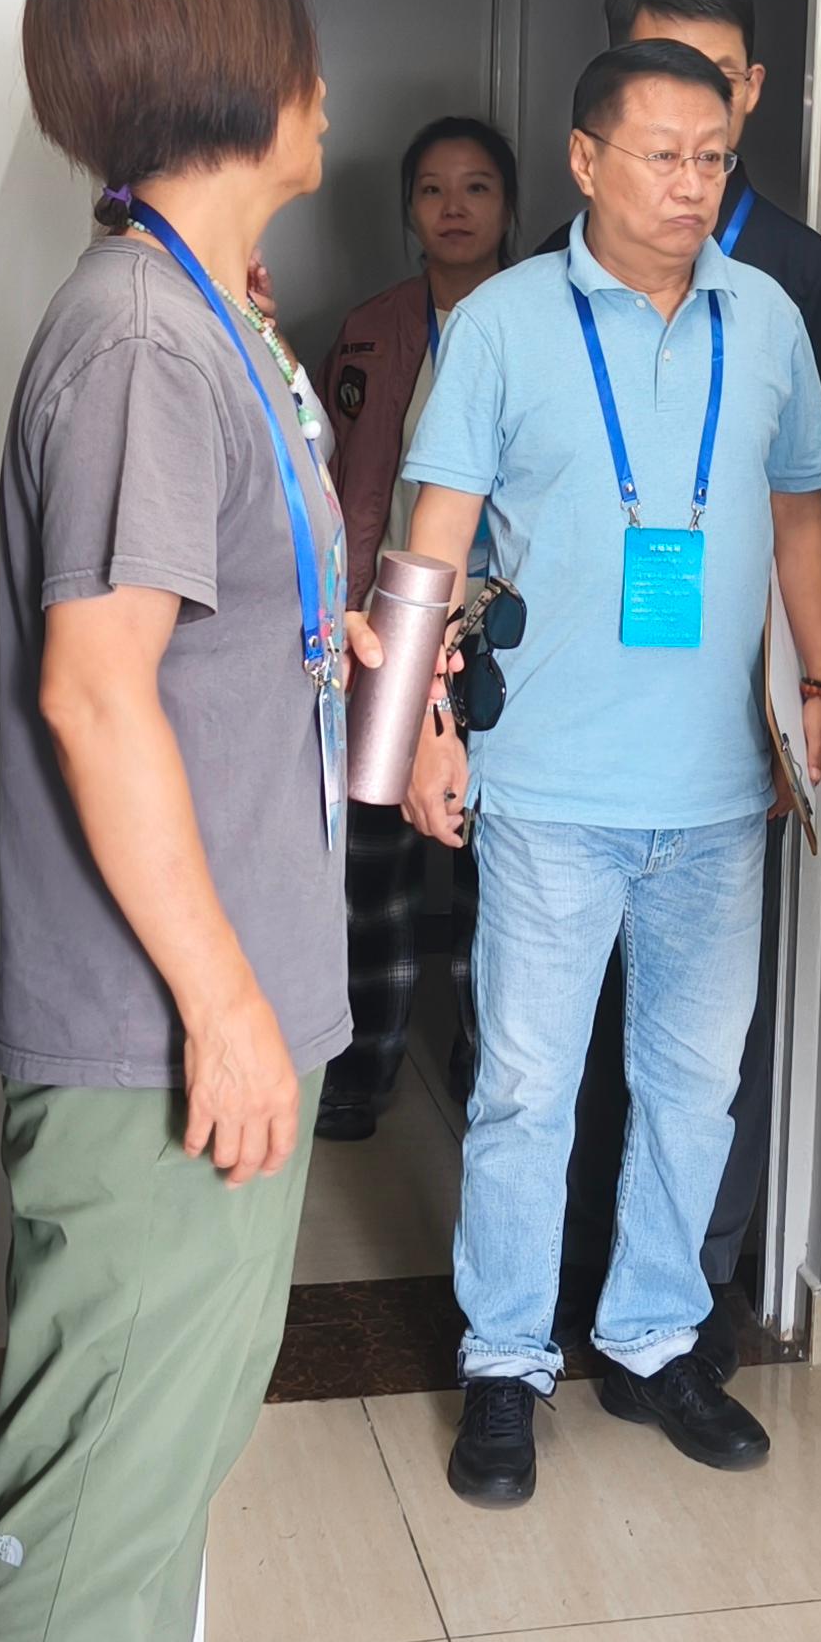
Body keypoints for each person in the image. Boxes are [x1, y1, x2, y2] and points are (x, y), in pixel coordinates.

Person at [0, 0, 383, 1642]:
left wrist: (350, 652)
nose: (327, 86)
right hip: (156, 1037)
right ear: (235, 79)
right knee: (94, 1488)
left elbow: (205, 635)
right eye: (300, 49)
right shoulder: (139, 337)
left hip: (230, 1008)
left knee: (167, 1456)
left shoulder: (218, 317)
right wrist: (220, 1006)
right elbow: (97, 691)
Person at [396, 39, 821, 1506]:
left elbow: (798, 516)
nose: (690, 184)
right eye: (661, 155)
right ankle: (503, 1364)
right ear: (586, 161)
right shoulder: (506, 324)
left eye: (712, 157)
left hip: (718, 790)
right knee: (526, 1090)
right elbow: (434, 535)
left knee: (693, 1088)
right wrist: (421, 726)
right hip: (547, 787)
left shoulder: (767, 316)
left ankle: (655, 1341)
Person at [523, 0, 821, 1299]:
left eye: (714, 90)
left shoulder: (797, 283)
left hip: (727, 732)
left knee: (700, 1048)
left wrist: (810, 697)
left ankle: (682, 1296)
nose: (689, 138)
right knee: (550, 1050)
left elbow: (814, 511)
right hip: (568, 741)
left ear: (753, 91)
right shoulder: (536, 292)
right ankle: (552, 1289)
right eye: (658, 93)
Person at [310, 114, 519, 1140]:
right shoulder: (371, 327)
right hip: (387, 621)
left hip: (503, 629)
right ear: (407, 209)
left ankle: (487, 1069)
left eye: (476, 187)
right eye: (432, 189)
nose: (453, 208)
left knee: (496, 863)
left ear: (509, 206)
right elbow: (333, 473)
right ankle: (362, 1067)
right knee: (374, 861)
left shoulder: (538, 320)